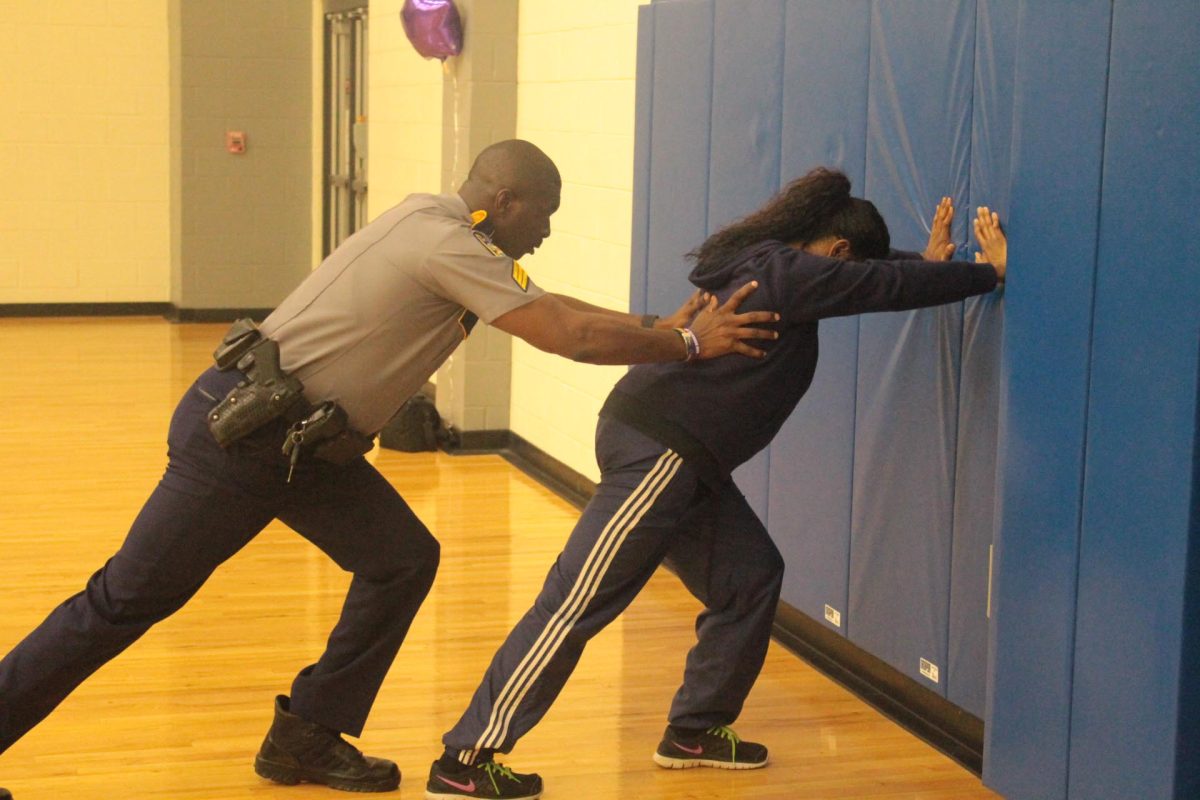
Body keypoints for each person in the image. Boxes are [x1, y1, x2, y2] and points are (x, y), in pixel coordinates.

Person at [0, 139, 777, 797]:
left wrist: (650, 324)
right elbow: (561, 334)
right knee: (120, 603)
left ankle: (306, 734)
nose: (546, 230)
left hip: (300, 446)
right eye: (544, 212)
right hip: (242, 443)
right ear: (505, 200)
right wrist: (686, 345)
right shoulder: (446, 243)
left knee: (402, 559)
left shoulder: (434, 222)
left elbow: (544, 302)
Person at [424, 168, 1008, 800]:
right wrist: (988, 274)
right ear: (835, 251)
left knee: (750, 577)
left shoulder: (772, 261)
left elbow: (875, 271)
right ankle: (467, 757)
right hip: (661, 453)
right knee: (575, 602)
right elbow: (880, 283)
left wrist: (922, 261)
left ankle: (695, 732)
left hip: (681, 459)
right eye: (846, 264)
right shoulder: (789, 273)